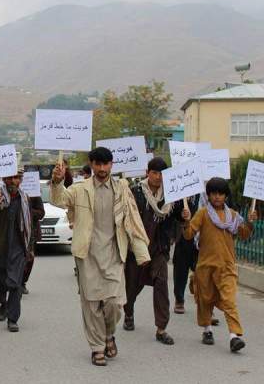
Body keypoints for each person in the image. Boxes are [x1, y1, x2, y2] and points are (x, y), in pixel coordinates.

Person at [50, 147, 151, 366]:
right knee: (92, 305)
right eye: (98, 164)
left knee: (114, 304)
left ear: (112, 165)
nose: (102, 168)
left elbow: (133, 219)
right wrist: (57, 182)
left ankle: (108, 334)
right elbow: (60, 201)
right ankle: (97, 347)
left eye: (106, 164)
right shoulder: (80, 189)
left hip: (114, 255)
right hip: (87, 256)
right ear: (92, 164)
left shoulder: (122, 189)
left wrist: (141, 252)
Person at [182, 177, 256, 352]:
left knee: (229, 300)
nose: (217, 197)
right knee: (205, 300)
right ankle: (207, 329)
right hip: (206, 267)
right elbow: (188, 235)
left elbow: (244, 234)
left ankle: (234, 336)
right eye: (213, 193)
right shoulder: (202, 214)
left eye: (220, 193)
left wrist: (250, 222)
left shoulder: (233, 216)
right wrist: (186, 220)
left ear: (225, 196)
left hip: (227, 267)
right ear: (208, 195)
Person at [123, 157, 181, 345]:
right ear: (147, 173)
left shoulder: (172, 194)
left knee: (162, 283)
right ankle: (128, 311)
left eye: (161, 174)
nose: (157, 177)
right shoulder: (135, 192)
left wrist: (184, 215)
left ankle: (161, 328)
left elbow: (178, 217)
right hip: (137, 247)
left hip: (159, 249)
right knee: (132, 286)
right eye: (154, 173)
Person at [0, 170, 32, 332]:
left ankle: (13, 318)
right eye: (10, 178)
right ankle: (3, 304)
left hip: (18, 248)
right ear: (4, 179)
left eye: (16, 178)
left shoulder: (25, 198)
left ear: (21, 180)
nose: (13, 181)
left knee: (15, 283)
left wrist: (29, 248)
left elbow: (28, 225)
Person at [172, 193, 201, 314]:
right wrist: (182, 211)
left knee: (204, 271)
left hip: (204, 237)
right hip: (185, 234)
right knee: (181, 269)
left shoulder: (211, 192)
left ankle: (206, 306)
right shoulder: (181, 191)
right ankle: (179, 299)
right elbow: (172, 212)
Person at [22, 194, 45, 294]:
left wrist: (28, 211)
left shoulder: (34, 194)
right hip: (14, 231)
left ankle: (22, 282)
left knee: (29, 258)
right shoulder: (11, 192)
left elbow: (41, 213)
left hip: (31, 231)